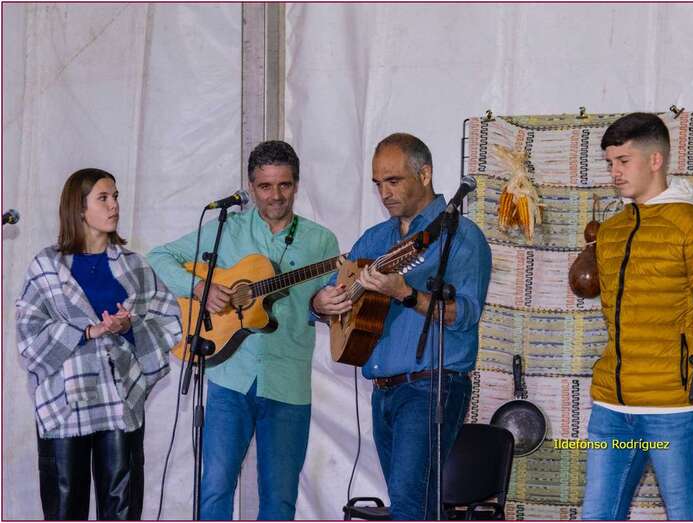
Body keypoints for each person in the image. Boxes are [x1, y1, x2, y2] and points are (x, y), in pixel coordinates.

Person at [147, 140, 339, 520]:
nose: (275, 196)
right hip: (229, 378)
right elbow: (158, 257)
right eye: (265, 186)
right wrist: (200, 288)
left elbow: (329, 308)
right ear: (251, 187)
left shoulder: (322, 242)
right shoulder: (226, 230)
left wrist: (322, 306)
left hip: (287, 381)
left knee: (280, 498)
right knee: (215, 488)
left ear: (297, 185)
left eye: (284, 185)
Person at [311, 133, 492, 520]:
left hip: (431, 385)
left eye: (393, 181)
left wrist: (406, 293)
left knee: (409, 506)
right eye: (378, 183)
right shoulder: (376, 239)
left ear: (424, 174)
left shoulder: (461, 237)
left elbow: (465, 314)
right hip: (384, 391)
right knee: (416, 505)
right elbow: (329, 292)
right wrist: (320, 303)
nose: (384, 193)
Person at [582, 112, 693, 520]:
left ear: (655, 160)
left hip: (674, 409)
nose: (615, 172)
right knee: (596, 516)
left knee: (684, 515)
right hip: (611, 406)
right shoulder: (612, 232)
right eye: (610, 162)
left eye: (624, 161)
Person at [16, 168, 182, 520]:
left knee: (121, 507)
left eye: (116, 197)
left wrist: (128, 327)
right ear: (79, 208)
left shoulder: (134, 266)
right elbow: (28, 331)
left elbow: (168, 320)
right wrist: (86, 332)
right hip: (64, 402)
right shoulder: (47, 266)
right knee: (65, 508)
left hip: (119, 400)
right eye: (103, 198)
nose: (114, 205)